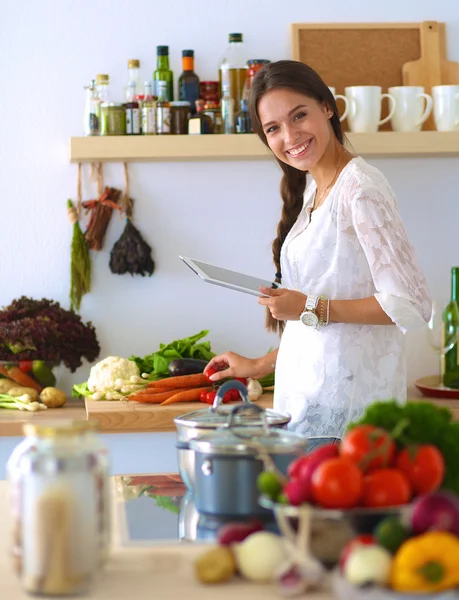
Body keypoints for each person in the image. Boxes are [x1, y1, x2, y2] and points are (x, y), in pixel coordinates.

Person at [204, 60, 432, 439]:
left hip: (349, 418)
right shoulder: (314, 190)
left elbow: (410, 304)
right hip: (307, 406)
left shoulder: (361, 189)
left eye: (299, 116)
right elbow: (326, 332)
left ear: (327, 107)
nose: (289, 135)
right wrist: (260, 364)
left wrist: (309, 306)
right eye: (273, 128)